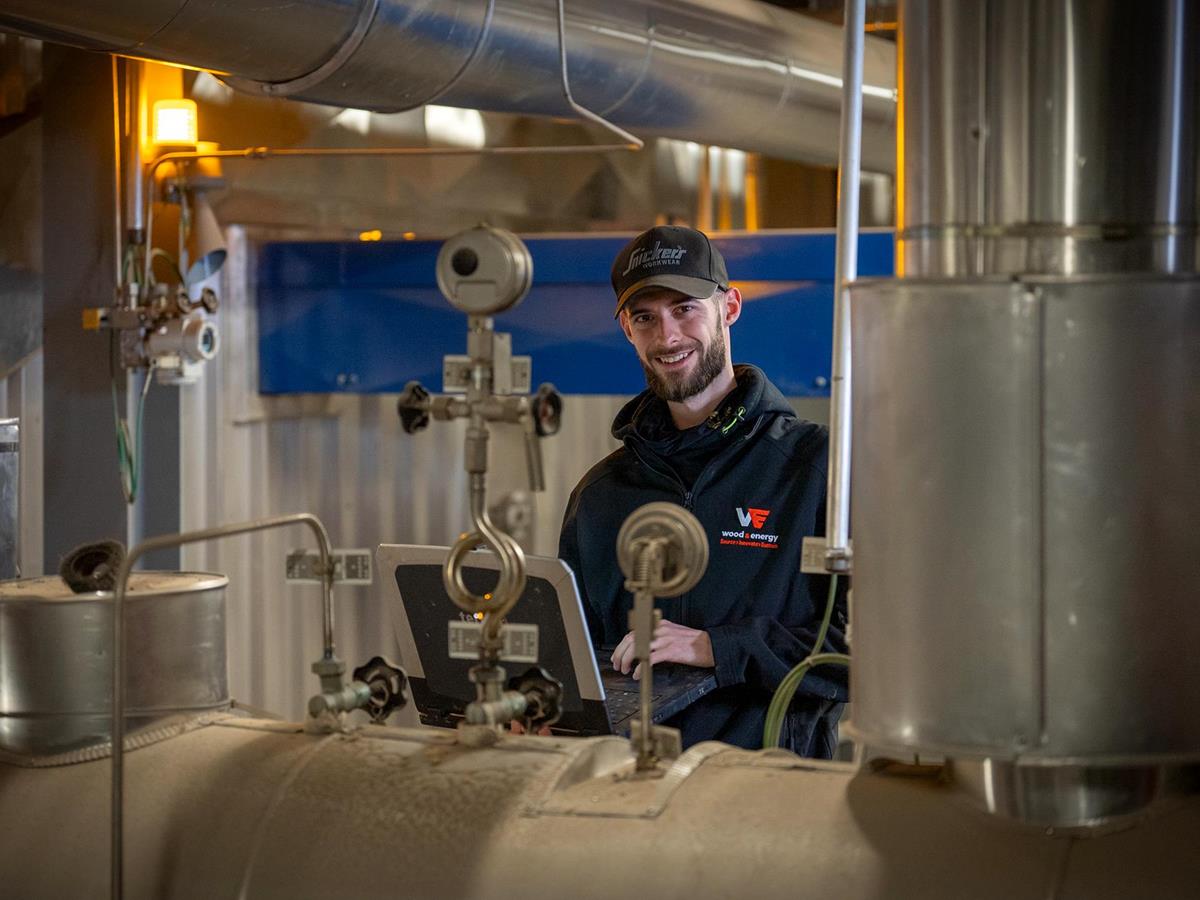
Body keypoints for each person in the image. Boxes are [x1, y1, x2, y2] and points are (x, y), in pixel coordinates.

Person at [557, 225, 848, 757]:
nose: (667, 337)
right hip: (628, 794)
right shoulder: (602, 494)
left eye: (684, 308)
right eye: (645, 317)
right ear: (626, 329)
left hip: (766, 795)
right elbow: (578, 659)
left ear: (729, 307)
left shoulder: (814, 467)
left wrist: (715, 647)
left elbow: (867, 652)